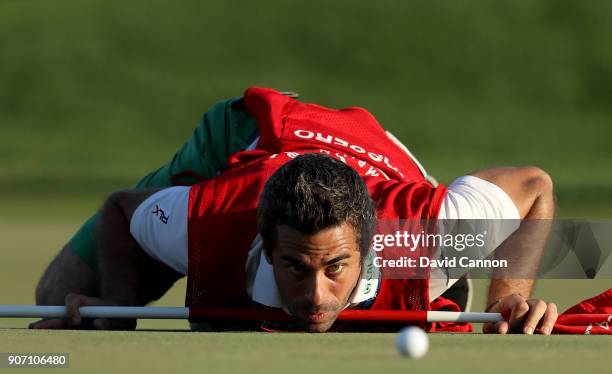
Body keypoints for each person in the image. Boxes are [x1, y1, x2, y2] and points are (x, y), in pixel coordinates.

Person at [32, 87, 557, 333]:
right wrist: (120, 307)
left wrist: (508, 298)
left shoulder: (427, 233)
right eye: (294, 269)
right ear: (262, 243)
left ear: (370, 248)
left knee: (433, 262)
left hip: (376, 154)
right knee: (55, 295)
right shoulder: (213, 222)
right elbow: (121, 211)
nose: (314, 297)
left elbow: (535, 186)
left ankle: (422, 287)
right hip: (252, 137)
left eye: (334, 270)